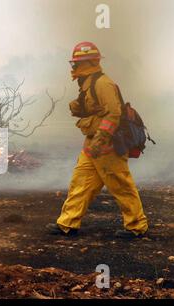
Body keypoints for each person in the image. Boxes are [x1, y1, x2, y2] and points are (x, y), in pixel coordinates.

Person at [46, 41, 148, 239]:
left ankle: (136, 227)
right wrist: (77, 107)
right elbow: (94, 109)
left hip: (107, 144)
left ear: (88, 62)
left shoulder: (102, 83)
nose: (74, 67)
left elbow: (112, 115)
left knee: (120, 184)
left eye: (77, 63)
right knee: (81, 182)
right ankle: (68, 223)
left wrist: (99, 142)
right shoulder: (87, 83)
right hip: (93, 142)